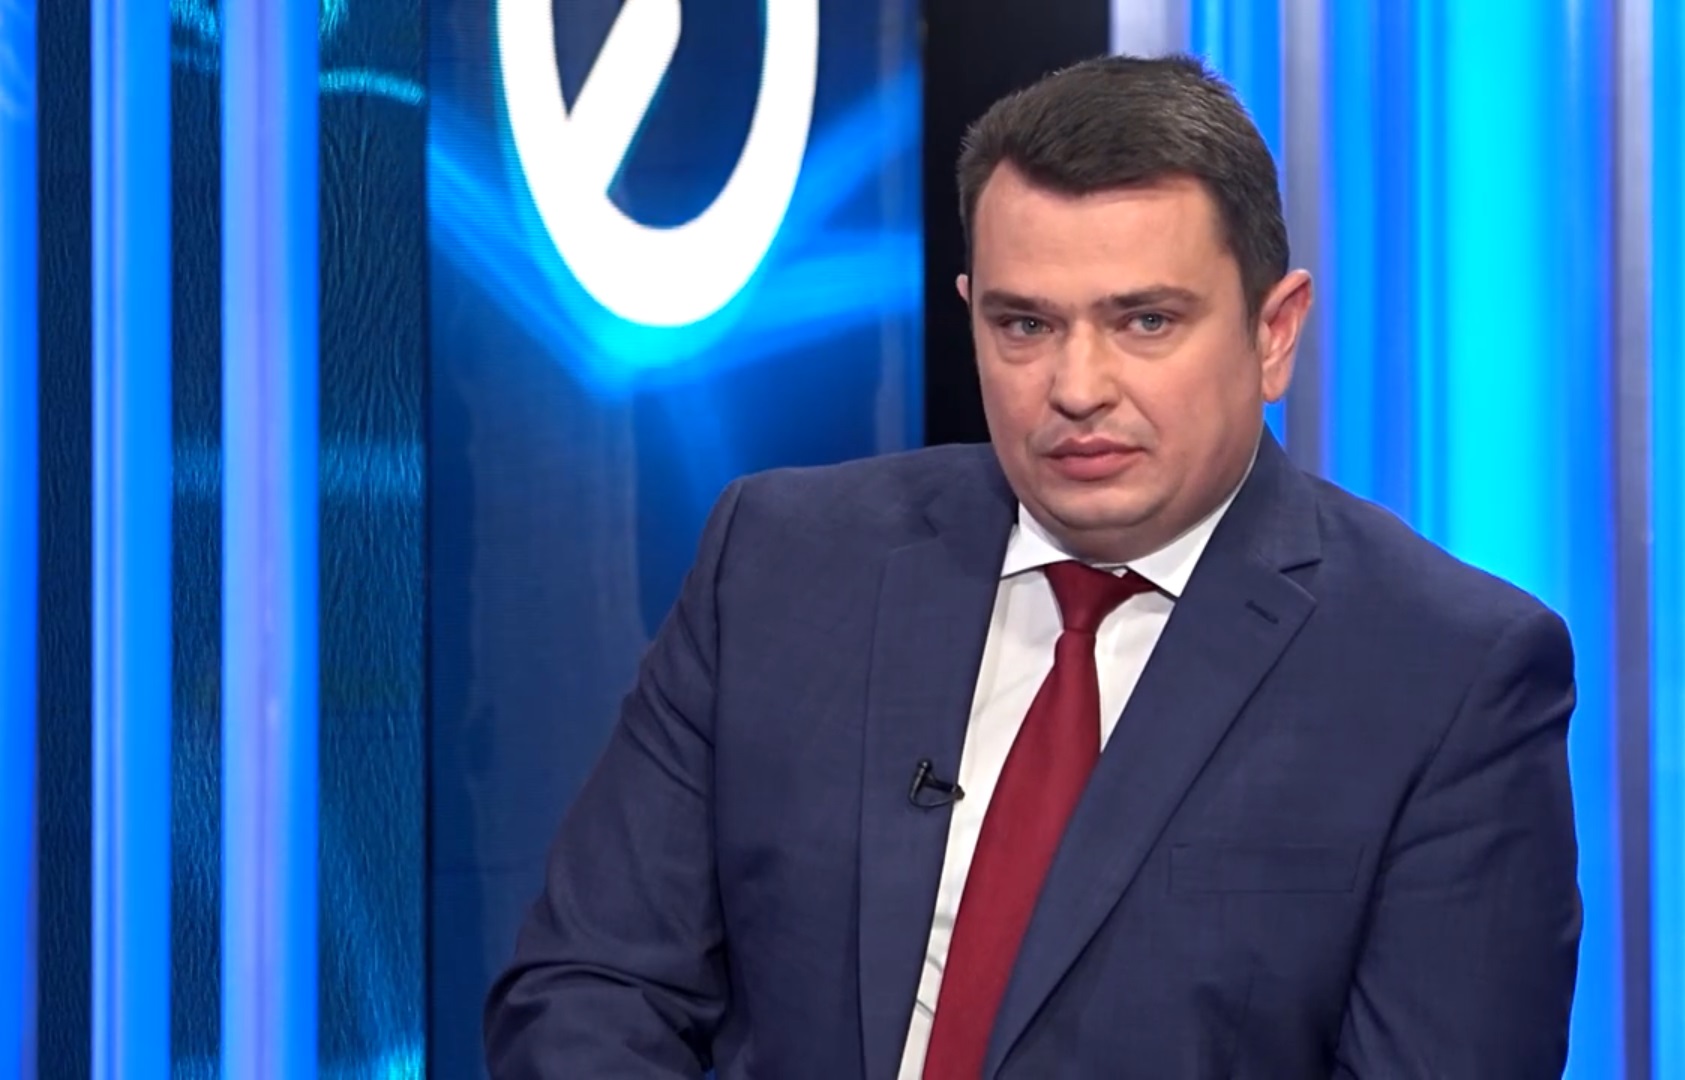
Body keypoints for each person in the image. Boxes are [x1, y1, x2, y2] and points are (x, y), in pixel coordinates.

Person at [484, 54, 1581, 1079]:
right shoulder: (776, 563)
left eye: (1145, 321)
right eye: (1025, 326)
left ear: (1274, 331)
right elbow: (591, 988)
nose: (1077, 387)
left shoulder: (1445, 675)